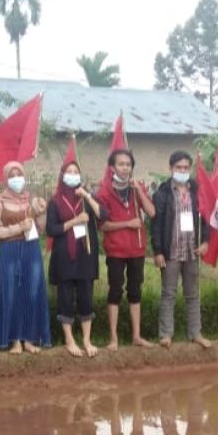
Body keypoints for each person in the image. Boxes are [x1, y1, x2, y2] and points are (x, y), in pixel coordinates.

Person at [150, 151, 212, 350]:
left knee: (193, 294)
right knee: (168, 293)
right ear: (171, 168)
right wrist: (158, 251)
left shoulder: (197, 191)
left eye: (186, 168)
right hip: (171, 251)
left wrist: (205, 241)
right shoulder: (162, 194)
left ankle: (196, 333)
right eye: (179, 168)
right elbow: (157, 225)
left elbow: (205, 219)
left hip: (192, 250)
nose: (182, 171)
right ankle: (166, 334)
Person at [45, 160, 106, 357]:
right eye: (68, 172)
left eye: (75, 172)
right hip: (64, 256)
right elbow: (51, 229)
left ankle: (87, 340)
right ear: (62, 176)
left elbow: (103, 215)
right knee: (65, 297)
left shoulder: (87, 199)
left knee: (86, 297)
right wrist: (75, 221)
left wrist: (87, 195)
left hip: (85, 255)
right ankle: (69, 339)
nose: (72, 174)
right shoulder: (55, 201)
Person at [96, 148, 155, 349]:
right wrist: (127, 224)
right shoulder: (104, 192)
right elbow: (102, 225)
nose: (125, 168)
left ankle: (136, 336)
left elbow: (152, 211)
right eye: (121, 164)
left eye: (128, 164)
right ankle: (114, 338)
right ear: (112, 167)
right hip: (115, 251)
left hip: (137, 249)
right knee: (115, 291)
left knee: (135, 291)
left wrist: (138, 190)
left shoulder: (137, 187)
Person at [0, 160, 49, 353]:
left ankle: (29, 339)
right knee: (11, 293)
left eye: (19, 174)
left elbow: (41, 229)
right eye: (12, 176)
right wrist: (18, 228)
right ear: (5, 179)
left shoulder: (31, 200)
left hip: (31, 249)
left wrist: (41, 211)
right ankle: (14, 339)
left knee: (32, 292)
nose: (16, 179)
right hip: (9, 251)